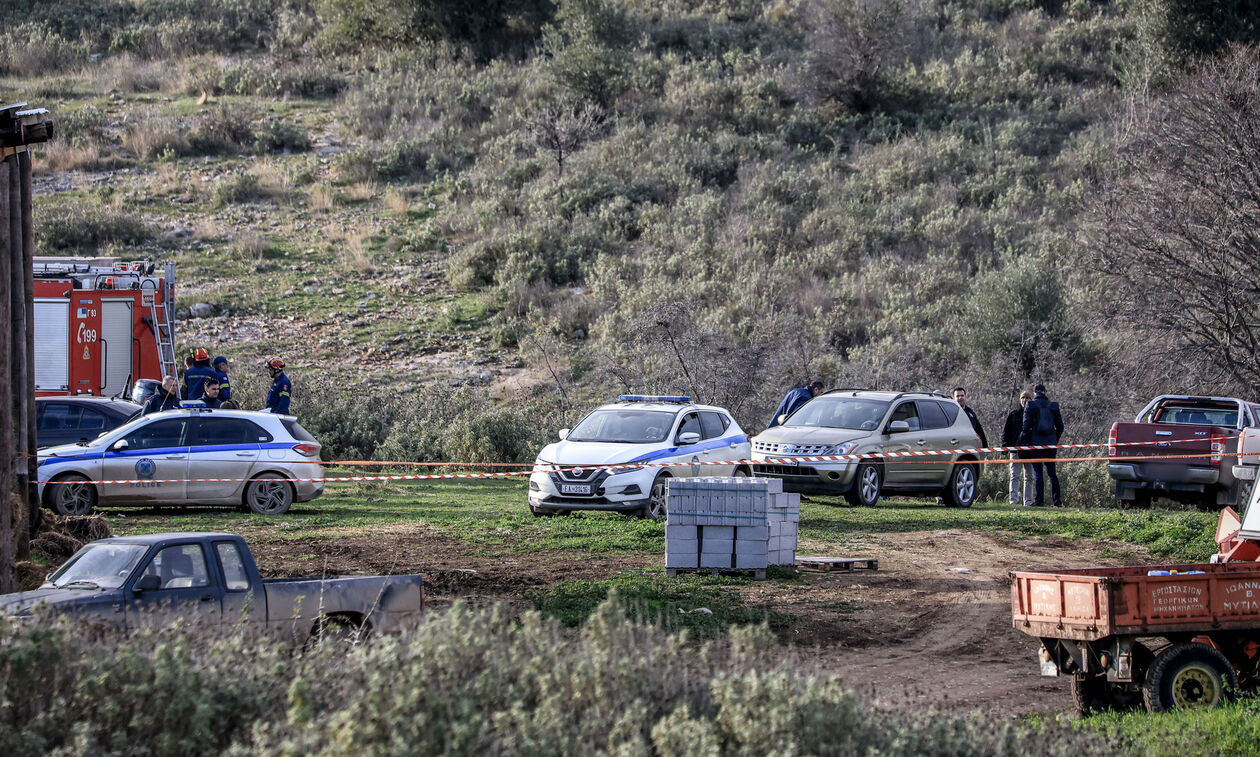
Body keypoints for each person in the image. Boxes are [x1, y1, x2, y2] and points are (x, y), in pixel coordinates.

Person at [1021, 383, 1065, 507]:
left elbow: (1025, 426)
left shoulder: (1031, 405)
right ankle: (1057, 502)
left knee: (1038, 473)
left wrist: (1029, 441)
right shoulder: (1053, 406)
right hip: (1050, 444)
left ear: (1035, 393)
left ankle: (1039, 501)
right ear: (1045, 392)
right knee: (1052, 473)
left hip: (1035, 444)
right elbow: (1060, 427)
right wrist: (1054, 440)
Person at [1003, 390, 1035, 507]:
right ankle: (1013, 501)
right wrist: (1005, 447)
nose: (1025, 400)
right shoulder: (1013, 414)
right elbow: (1006, 431)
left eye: (1027, 398)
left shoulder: (1034, 415)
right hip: (1015, 450)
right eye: (1023, 397)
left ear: (1031, 400)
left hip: (1030, 451)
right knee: (1014, 476)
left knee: (1029, 477)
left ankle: (1028, 502)